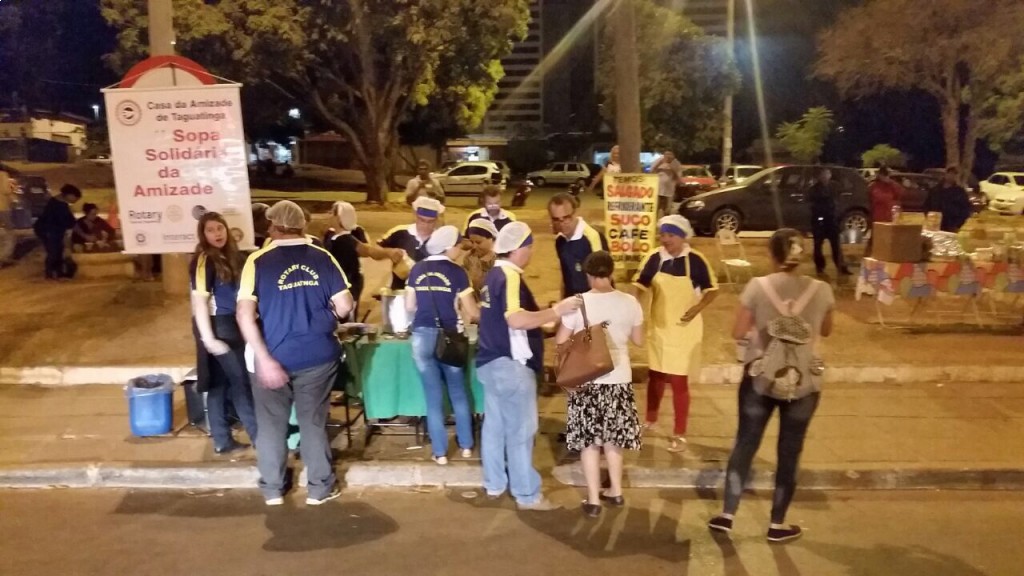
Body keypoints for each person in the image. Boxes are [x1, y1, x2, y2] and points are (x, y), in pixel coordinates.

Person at [708, 228, 835, 543]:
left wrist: (764, 330)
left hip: (760, 378)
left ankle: (727, 515)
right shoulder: (822, 290)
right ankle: (777, 523)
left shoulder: (757, 286)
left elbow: (738, 331)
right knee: (790, 451)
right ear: (801, 255)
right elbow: (826, 330)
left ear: (771, 254)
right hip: (803, 382)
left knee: (746, 444)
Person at [236, 200, 354, 506]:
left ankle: (273, 489)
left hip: (272, 356)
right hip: (317, 355)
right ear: (302, 225)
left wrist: (264, 360)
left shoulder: (258, 261)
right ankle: (319, 488)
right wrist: (326, 315)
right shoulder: (322, 256)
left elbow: (244, 315)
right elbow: (345, 305)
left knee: (271, 425)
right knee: (312, 422)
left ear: (273, 227)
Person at [477, 221, 581, 510]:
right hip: (511, 365)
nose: (531, 252)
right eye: (530, 247)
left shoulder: (491, 275)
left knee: (495, 427)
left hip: (489, 362)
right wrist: (556, 310)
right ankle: (527, 494)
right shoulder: (509, 276)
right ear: (519, 249)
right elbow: (515, 319)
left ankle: (494, 484)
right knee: (521, 431)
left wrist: (545, 319)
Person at [556, 251, 645, 518]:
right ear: (611, 272)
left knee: (590, 442)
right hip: (619, 379)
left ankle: (593, 500)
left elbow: (561, 340)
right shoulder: (630, 302)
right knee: (613, 440)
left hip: (587, 380)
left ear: (588, 274)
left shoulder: (578, 303)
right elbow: (639, 340)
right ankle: (615, 491)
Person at [633, 215, 718, 452]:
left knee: (679, 382)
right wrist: (633, 307)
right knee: (656, 377)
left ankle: (679, 433)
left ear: (682, 237)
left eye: (671, 235)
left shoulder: (696, 260)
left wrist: (698, 308)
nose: (665, 239)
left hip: (684, 331)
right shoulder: (653, 257)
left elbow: (712, 290)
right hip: (660, 328)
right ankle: (650, 420)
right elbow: (639, 285)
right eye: (663, 235)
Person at [406, 225, 480, 465]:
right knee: (458, 392)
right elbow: (472, 311)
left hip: (421, 336)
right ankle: (466, 445)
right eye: (458, 245)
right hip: (450, 337)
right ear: (449, 247)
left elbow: (409, 306)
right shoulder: (458, 272)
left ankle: (440, 452)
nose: (460, 249)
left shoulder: (417, 269)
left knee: (433, 396)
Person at [190, 212, 260, 455]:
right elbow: (199, 301)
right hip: (218, 325)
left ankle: (222, 440)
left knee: (219, 383)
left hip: (231, 323)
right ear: (203, 234)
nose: (217, 234)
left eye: (220, 228)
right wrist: (208, 338)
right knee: (241, 381)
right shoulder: (204, 259)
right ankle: (261, 439)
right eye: (210, 230)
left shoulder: (232, 256)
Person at [324, 201, 403, 319]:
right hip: (334, 283)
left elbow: (369, 251)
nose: (329, 215)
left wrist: (388, 252)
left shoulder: (347, 240)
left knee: (345, 317)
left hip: (349, 283)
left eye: (332, 213)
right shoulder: (330, 235)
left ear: (339, 217)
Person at [550, 193, 607, 297]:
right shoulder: (560, 240)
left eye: (566, 217)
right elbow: (565, 276)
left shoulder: (593, 237)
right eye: (556, 219)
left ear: (575, 213)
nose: (562, 224)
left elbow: (603, 278)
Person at [379, 196, 443, 290]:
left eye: (430, 222)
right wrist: (388, 252)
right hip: (400, 291)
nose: (425, 225)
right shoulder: (400, 232)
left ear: (437, 220)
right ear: (415, 216)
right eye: (422, 220)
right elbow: (375, 251)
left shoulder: (442, 238)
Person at [807, 168, 851, 277]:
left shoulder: (834, 186)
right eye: (823, 174)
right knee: (818, 245)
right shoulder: (814, 189)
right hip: (819, 220)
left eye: (827, 174)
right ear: (819, 176)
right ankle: (820, 267)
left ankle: (841, 266)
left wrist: (838, 215)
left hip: (832, 219)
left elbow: (840, 198)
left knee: (836, 244)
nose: (825, 176)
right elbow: (810, 203)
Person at [33, 184, 81, 280]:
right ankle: (50, 273)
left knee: (58, 250)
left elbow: (69, 221)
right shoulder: (56, 205)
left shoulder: (60, 204)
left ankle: (57, 273)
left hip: (53, 231)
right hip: (48, 231)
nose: (75, 200)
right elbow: (64, 221)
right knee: (54, 252)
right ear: (70, 195)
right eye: (75, 198)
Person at [925, 167, 972, 233]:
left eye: (954, 174)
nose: (951, 176)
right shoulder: (935, 190)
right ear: (945, 174)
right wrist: (929, 217)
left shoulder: (959, 192)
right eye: (950, 173)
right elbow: (927, 205)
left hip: (951, 225)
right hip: (935, 224)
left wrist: (958, 224)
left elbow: (965, 209)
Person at [463, 219, 498, 295]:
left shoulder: (499, 261)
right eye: (472, 242)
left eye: (478, 242)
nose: (474, 246)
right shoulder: (469, 258)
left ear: (492, 239)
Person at [651, 150, 681, 217]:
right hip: (658, 189)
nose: (668, 156)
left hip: (669, 191)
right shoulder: (658, 161)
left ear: (673, 156)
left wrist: (672, 167)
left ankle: (666, 220)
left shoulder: (676, 163)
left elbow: (678, 178)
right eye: (666, 154)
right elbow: (652, 172)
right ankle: (655, 220)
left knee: (667, 209)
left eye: (670, 154)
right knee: (656, 207)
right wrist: (659, 164)